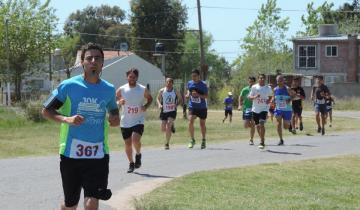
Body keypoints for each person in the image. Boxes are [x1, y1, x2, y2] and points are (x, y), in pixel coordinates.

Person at [42, 43, 120, 210]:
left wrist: (115, 117)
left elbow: (113, 109)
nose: (93, 61)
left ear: (102, 63)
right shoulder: (68, 86)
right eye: (89, 58)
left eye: (97, 58)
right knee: (71, 204)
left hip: (98, 153)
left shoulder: (108, 89)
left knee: (92, 201)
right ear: (83, 63)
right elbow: (46, 111)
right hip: (71, 154)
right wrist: (66, 119)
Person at [116, 68, 153, 173]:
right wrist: (119, 101)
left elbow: (150, 99)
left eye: (134, 77)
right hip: (125, 121)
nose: (132, 78)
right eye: (130, 76)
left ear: (137, 77)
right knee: (127, 144)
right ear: (127, 77)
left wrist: (145, 106)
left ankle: (138, 154)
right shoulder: (122, 89)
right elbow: (114, 97)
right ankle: (131, 163)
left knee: (135, 140)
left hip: (138, 119)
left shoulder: (142, 89)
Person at [248, 73, 273, 149]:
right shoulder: (254, 87)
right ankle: (262, 138)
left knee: (262, 124)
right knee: (257, 126)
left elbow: (271, 96)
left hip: (264, 108)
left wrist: (269, 101)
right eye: (260, 78)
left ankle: (262, 142)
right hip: (255, 109)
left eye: (263, 78)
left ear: (265, 79)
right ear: (258, 79)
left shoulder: (268, 88)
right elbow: (249, 97)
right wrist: (255, 96)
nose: (262, 79)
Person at [156, 78, 182, 150]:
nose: (169, 83)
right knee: (163, 129)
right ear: (165, 83)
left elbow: (180, 99)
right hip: (164, 111)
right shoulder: (162, 91)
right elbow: (157, 99)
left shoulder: (175, 91)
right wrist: (159, 104)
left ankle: (167, 143)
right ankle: (172, 125)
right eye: (167, 82)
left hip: (172, 111)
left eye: (170, 82)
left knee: (168, 126)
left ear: (172, 83)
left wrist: (176, 105)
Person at [186, 69, 208, 149]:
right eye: (192, 76)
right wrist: (188, 94)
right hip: (192, 106)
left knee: (202, 124)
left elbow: (206, 96)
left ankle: (203, 140)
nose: (193, 78)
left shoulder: (203, 85)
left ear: (199, 76)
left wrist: (198, 95)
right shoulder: (189, 83)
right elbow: (189, 90)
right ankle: (192, 140)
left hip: (202, 107)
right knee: (190, 121)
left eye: (195, 76)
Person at [272, 75, 294, 145]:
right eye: (278, 81)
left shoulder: (287, 88)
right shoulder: (275, 89)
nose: (279, 82)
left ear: (283, 81)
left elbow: (294, 95)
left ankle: (289, 124)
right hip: (278, 109)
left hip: (287, 110)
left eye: (281, 81)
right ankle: (281, 140)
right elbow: (274, 97)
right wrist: (272, 100)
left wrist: (289, 99)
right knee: (278, 124)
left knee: (285, 127)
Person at [238, 76, 256, 145]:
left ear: (254, 82)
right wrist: (239, 105)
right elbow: (240, 97)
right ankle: (255, 127)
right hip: (246, 109)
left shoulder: (256, 89)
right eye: (249, 81)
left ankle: (251, 139)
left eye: (252, 81)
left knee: (253, 123)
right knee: (246, 125)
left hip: (255, 108)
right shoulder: (245, 89)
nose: (250, 83)